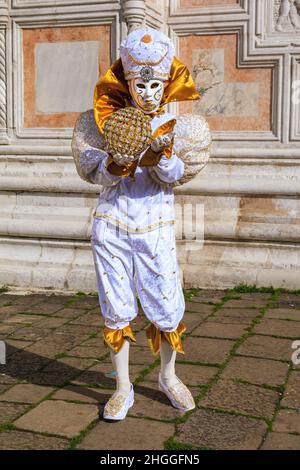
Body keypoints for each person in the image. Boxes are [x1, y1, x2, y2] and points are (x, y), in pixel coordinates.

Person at [76, 27, 201, 421]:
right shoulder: (102, 121)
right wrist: (119, 157)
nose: (147, 92)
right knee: (116, 307)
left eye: (154, 84)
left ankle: (168, 375)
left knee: (166, 304)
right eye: (139, 84)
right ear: (126, 83)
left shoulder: (177, 125)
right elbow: (93, 172)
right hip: (111, 226)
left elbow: (177, 175)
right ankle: (122, 386)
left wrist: (161, 155)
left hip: (156, 226)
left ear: (166, 84)